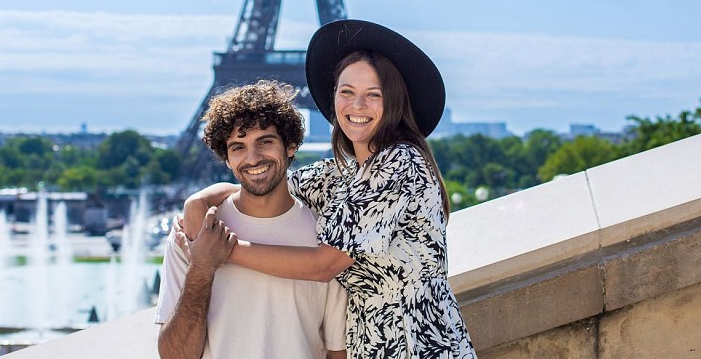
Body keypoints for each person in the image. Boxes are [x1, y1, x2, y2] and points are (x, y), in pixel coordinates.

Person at [180, 19, 476, 357]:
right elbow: (265, 181)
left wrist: (222, 250)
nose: (357, 105)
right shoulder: (342, 176)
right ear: (334, 96)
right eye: (347, 92)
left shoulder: (400, 162)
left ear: (393, 102)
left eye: (373, 94)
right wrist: (198, 201)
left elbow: (324, 265)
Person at [155, 80, 347, 359]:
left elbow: (336, 352)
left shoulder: (327, 236)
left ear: (290, 146)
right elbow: (175, 356)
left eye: (264, 142)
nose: (253, 158)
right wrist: (202, 268)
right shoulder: (192, 233)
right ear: (227, 159)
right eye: (238, 147)